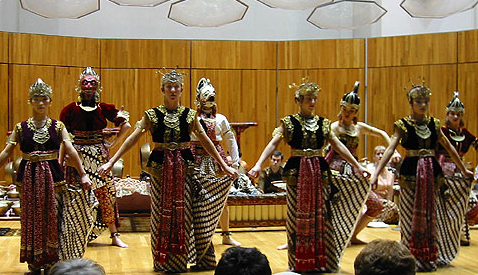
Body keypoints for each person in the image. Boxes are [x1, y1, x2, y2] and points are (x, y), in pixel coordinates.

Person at [97, 69, 238, 273]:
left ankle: (192, 258)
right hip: (160, 169)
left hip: (185, 168)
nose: (173, 90)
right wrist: (111, 162)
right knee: (160, 213)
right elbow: (131, 139)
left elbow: (206, 141)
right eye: (169, 87)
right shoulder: (152, 114)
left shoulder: (189, 115)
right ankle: (164, 260)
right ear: (162, 89)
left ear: (181, 90)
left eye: (176, 87)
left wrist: (224, 165)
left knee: (187, 212)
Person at [248, 79, 371, 273]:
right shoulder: (288, 123)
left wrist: (356, 165)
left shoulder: (323, 123)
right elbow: (273, 144)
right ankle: (297, 260)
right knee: (296, 215)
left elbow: (338, 145)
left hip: (318, 171)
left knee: (321, 215)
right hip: (297, 171)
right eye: (308, 99)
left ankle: (320, 260)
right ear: (298, 100)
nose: (312, 102)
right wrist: (257, 164)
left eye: (314, 98)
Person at [0, 79, 92, 275]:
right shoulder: (20, 127)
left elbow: (70, 149)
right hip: (28, 177)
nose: (40, 103)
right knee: (30, 219)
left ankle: (51, 262)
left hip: (53, 177)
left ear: (50, 101)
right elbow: (6, 151)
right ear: (30, 102)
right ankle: (33, 264)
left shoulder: (58, 127)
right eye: (36, 99)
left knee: (53, 217)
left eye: (44, 99)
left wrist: (83, 174)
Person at [370, 83, 473, 271]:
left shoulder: (433, 124)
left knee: (431, 214)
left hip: (432, 172)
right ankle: (409, 255)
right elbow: (391, 148)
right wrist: (376, 173)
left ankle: (429, 254)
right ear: (411, 102)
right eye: (418, 101)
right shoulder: (402, 124)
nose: (423, 105)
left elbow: (449, 147)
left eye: (425, 101)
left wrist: (463, 170)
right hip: (411, 171)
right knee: (409, 215)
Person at [59, 67, 131, 248]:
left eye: (92, 83)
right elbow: (63, 138)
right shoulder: (69, 110)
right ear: (80, 86)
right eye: (85, 83)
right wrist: (60, 163)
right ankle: (76, 232)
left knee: (105, 194)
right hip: (77, 157)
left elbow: (126, 125)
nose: (89, 86)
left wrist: (112, 145)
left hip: (99, 156)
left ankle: (114, 235)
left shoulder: (104, 108)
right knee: (75, 194)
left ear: (97, 87)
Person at [326, 81, 401, 244]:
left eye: (352, 111)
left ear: (356, 112)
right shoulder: (332, 128)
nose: (347, 113)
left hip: (354, 171)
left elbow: (381, 133)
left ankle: (353, 235)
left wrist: (393, 149)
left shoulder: (358, 128)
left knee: (375, 205)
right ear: (340, 109)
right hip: (334, 172)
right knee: (330, 206)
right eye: (345, 110)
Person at [190, 78, 241, 247]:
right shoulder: (192, 117)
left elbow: (230, 138)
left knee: (222, 198)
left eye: (212, 96)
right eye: (206, 96)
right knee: (196, 199)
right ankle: (198, 236)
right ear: (199, 99)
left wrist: (235, 162)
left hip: (216, 162)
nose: (210, 99)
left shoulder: (221, 119)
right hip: (195, 160)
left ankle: (226, 234)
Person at [436, 92, 478, 246]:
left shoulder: (465, 134)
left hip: (460, 171)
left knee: (463, 202)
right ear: (447, 114)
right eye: (452, 113)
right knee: (443, 202)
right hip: (443, 169)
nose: (455, 117)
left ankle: (460, 232)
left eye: (458, 114)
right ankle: (442, 234)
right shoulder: (441, 132)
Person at [368, 146, 399, 224]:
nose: (381, 156)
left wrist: (388, 205)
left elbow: (390, 193)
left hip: (386, 205)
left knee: (394, 208)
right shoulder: (370, 172)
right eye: (378, 154)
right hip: (374, 204)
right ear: (374, 157)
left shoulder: (391, 173)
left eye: (383, 154)